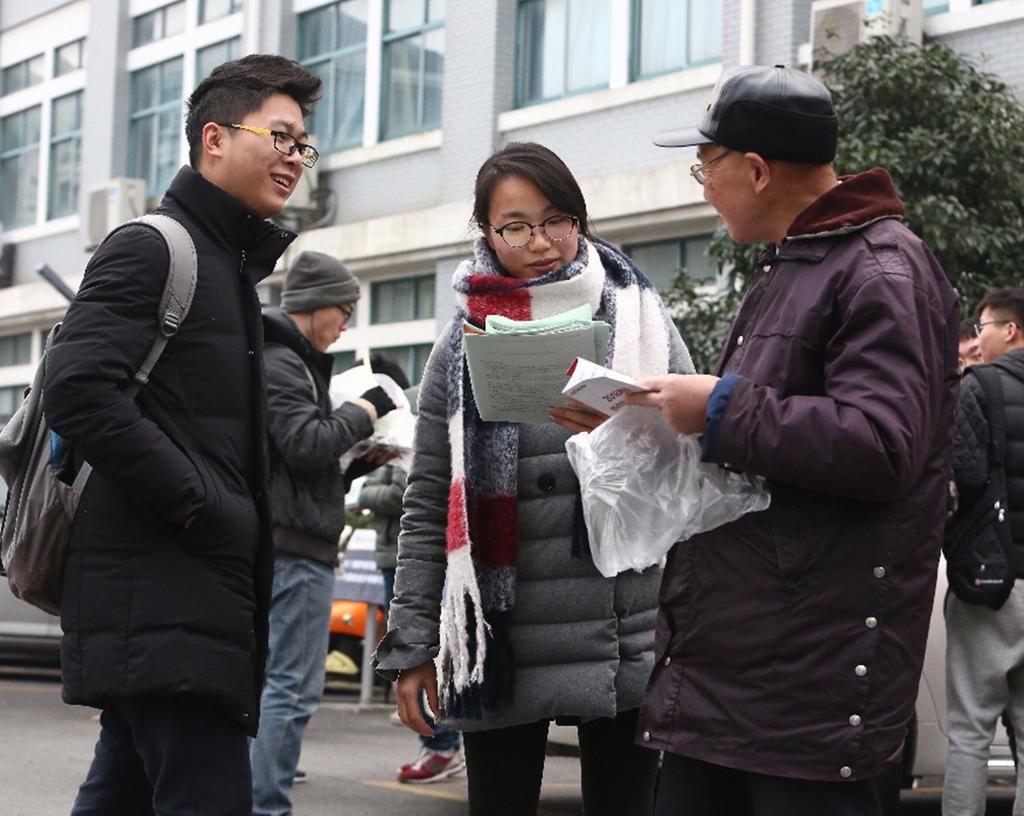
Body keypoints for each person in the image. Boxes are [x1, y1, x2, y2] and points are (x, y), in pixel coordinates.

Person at [627, 64, 959, 815]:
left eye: (705, 167)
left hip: (808, 690)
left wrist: (718, 409)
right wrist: (651, 420)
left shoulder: (880, 267)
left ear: (755, 168)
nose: (702, 186)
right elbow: (767, 446)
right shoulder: (798, 264)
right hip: (736, 669)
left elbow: (882, 444)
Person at [374, 141, 694, 816]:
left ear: (579, 219)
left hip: (625, 630)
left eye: (556, 220)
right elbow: (429, 503)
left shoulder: (638, 317)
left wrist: (611, 446)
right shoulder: (461, 344)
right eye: (515, 226)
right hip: (499, 636)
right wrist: (412, 644)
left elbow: (688, 468)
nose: (540, 242)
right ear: (487, 233)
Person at [41, 55, 322, 815]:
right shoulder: (156, 247)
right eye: (282, 137)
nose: (295, 159)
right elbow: (75, 389)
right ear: (214, 139)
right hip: (168, 595)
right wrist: (201, 504)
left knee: (119, 796)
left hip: (182, 603)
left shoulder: (227, 267)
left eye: (304, 145)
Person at [251, 252, 396, 816]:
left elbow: (300, 463)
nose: (347, 323)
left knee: (277, 686)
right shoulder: (285, 361)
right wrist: (366, 410)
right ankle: (265, 806)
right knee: (290, 690)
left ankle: (257, 800)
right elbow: (305, 444)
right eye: (346, 309)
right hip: (295, 552)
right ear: (316, 306)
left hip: (287, 545)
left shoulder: (288, 359)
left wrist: (359, 462)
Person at [358, 354, 466, 784]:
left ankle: (443, 744)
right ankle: (438, 743)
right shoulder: (391, 425)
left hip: (430, 557)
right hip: (394, 557)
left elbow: (415, 493)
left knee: (437, 653)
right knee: (408, 649)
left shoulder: (423, 412)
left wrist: (395, 480)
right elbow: (366, 491)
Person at [943, 288, 1024, 816]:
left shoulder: (982, 387)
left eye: (984, 325)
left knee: (970, 731)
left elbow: (963, 475)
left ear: (1011, 331)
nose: (978, 336)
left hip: (992, 584)